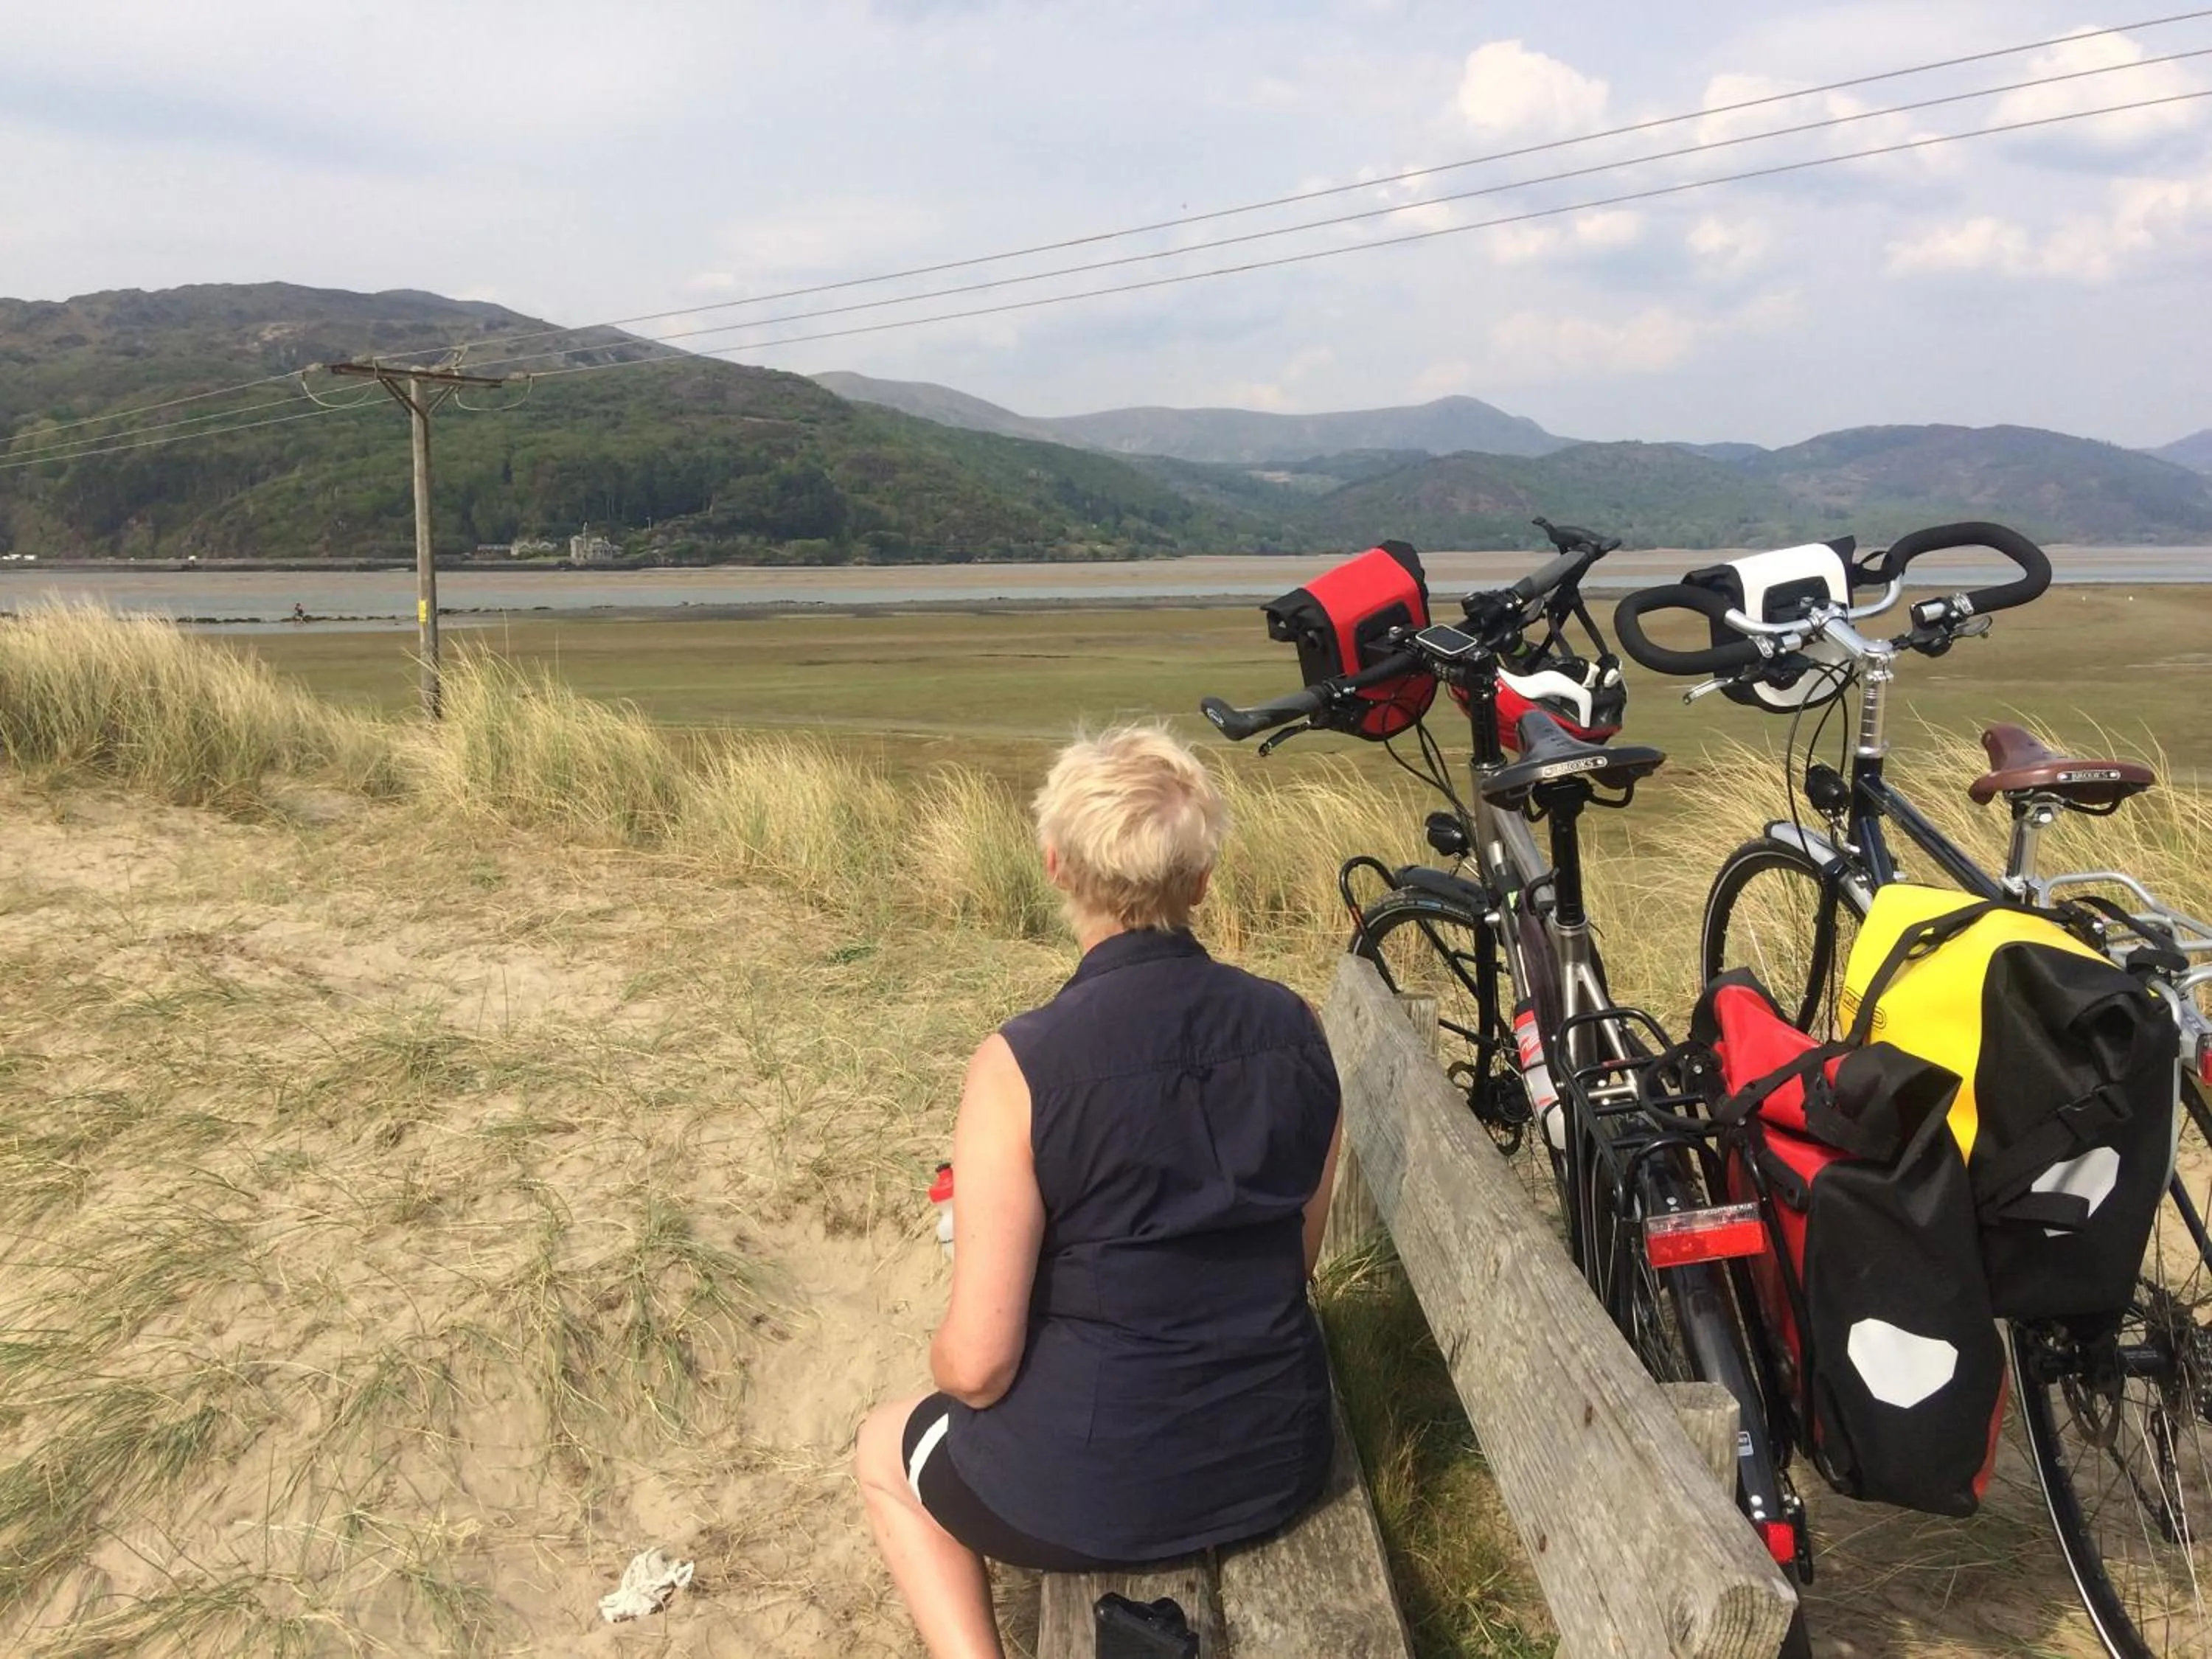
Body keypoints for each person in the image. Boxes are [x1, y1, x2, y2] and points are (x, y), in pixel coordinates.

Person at [855, 724, 1343, 1659]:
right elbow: (1297, 1260)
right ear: (1200, 881)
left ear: (1054, 867)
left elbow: (979, 1368)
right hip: (1276, 1463)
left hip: (1094, 1492)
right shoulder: (1296, 1028)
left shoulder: (1019, 1066)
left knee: (885, 1449)